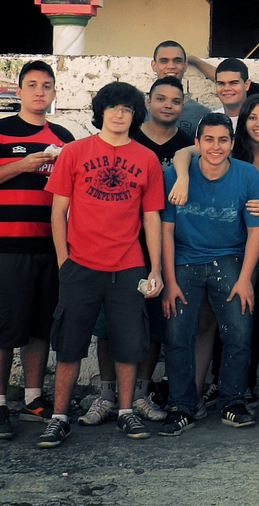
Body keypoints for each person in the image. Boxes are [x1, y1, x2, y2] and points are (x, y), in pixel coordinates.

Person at [39, 82, 165, 448]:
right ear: (101, 111)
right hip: (80, 264)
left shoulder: (146, 159)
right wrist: (65, 261)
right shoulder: (75, 153)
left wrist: (155, 268)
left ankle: (125, 412)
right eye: (112, 107)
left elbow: (152, 217)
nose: (119, 114)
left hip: (128, 265)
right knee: (69, 343)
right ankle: (59, 417)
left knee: (128, 342)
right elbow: (58, 212)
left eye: (126, 109)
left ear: (134, 115)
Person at [0, 60, 74, 439]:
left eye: (46, 85)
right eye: (32, 85)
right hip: (6, 247)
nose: (39, 92)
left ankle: (33, 398)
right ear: (19, 90)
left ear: (55, 91)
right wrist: (24, 163)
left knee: (40, 326)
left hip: (51, 247)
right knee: (3, 328)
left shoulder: (64, 137)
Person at [77, 77, 193, 429]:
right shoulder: (127, 135)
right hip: (114, 251)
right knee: (109, 328)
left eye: (175, 100)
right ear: (149, 102)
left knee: (153, 325)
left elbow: (203, 153)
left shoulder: (187, 143)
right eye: (161, 98)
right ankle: (107, 396)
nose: (168, 105)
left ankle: (140, 395)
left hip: (163, 248)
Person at [159, 112, 259, 436]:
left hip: (229, 259)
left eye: (222, 140)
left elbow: (255, 231)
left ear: (232, 144)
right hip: (184, 261)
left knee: (238, 332)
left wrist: (246, 278)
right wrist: (169, 281)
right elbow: (166, 230)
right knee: (177, 335)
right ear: (197, 143)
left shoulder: (247, 175)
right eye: (209, 139)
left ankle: (232, 401)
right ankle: (181, 406)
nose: (215, 147)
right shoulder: (176, 176)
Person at [149, 40, 211, 139]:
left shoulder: (201, 113)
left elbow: (225, 78)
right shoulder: (138, 109)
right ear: (154, 65)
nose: (171, 66)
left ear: (185, 65)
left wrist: (195, 60)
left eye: (177, 61)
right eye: (164, 61)